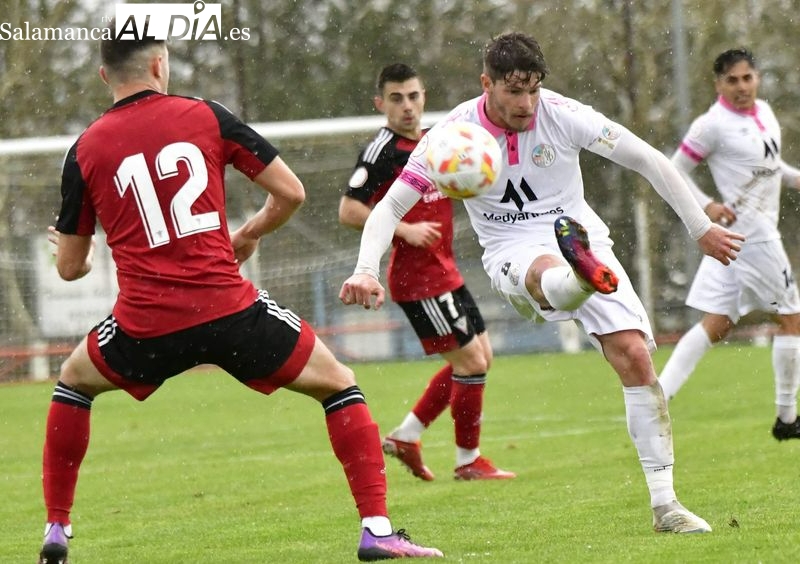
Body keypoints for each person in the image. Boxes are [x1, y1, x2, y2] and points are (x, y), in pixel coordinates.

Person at [36, 25, 443, 564]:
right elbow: (291, 192)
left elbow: (69, 269)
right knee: (340, 386)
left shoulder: (84, 149)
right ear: (161, 65)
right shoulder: (206, 115)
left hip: (146, 326)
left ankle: (57, 531)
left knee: (72, 383)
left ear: (104, 74)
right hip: (229, 310)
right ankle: (377, 530)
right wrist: (247, 234)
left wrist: (82, 255)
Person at [339, 32, 745, 534]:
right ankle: (576, 278)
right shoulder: (452, 137)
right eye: (514, 91)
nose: (527, 104)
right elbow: (388, 208)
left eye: (533, 89)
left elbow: (646, 159)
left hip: (579, 234)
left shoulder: (562, 112)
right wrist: (365, 268)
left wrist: (700, 227)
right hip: (511, 251)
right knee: (542, 273)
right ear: (486, 83)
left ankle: (666, 507)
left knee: (637, 358)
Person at [339, 63, 515, 482]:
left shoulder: (439, 142)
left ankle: (407, 436)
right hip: (418, 280)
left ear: (424, 98)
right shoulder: (380, 151)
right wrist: (405, 228)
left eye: (414, 96)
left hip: (445, 270)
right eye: (396, 98)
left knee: (480, 358)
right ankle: (467, 460)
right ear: (380, 103)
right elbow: (348, 210)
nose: (407, 107)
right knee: (471, 362)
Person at [657, 48, 800, 440]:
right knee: (793, 318)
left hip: (741, 241)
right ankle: (787, 419)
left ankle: (657, 398)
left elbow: (772, 167)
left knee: (715, 325)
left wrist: (795, 179)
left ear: (757, 78)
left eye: (747, 78)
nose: (742, 86)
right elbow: (673, 170)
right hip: (753, 237)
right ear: (718, 84)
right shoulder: (711, 125)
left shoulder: (766, 113)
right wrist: (707, 206)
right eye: (732, 80)